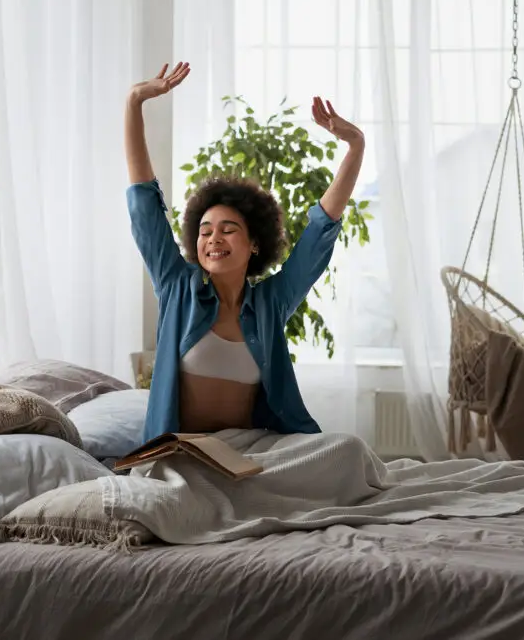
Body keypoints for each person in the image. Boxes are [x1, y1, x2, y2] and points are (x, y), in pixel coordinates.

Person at [125, 61, 366, 442]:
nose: (213, 238)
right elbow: (144, 207)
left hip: (250, 449)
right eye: (205, 231)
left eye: (228, 229)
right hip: (182, 450)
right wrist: (135, 101)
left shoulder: (272, 302)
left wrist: (355, 146)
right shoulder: (177, 289)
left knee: (346, 449)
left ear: (255, 244)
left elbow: (320, 231)